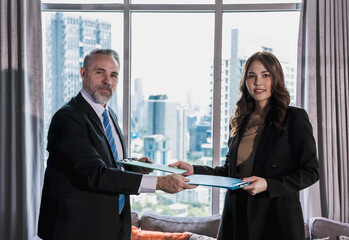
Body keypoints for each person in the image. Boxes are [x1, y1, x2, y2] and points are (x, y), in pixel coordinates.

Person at [38, 49, 195, 240]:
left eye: (113, 75)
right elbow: (93, 174)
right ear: (83, 73)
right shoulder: (68, 118)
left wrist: (133, 166)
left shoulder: (109, 114)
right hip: (76, 229)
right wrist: (159, 183)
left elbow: (107, 162)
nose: (108, 81)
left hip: (112, 227)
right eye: (100, 72)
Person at [171, 51, 319, 240]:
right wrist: (195, 170)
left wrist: (268, 184)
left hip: (275, 222)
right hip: (237, 219)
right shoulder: (240, 121)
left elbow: (311, 172)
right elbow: (230, 173)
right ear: (245, 81)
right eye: (252, 76)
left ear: (276, 79)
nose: (258, 82)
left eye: (265, 75)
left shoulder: (294, 118)